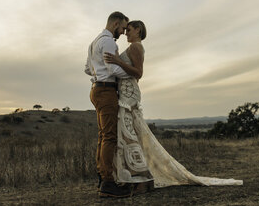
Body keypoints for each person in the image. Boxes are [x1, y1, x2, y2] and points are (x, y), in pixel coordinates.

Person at [104, 20, 243, 190]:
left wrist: (118, 62)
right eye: (125, 30)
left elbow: (139, 73)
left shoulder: (136, 47)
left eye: (129, 30)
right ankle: (133, 172)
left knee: (128, 132)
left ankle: (137, 174)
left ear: (138, 30)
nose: (126, 33)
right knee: (129, 131)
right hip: (126, 90)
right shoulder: (135, 47)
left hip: (128, 94)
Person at [84, 11, 132, 198]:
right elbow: (113, 68)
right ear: (115, 24)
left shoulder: (94, 42)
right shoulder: (109, 41)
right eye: (122, 27)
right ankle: (108, 183)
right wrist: (132, 74)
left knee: (103, 135)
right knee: (110, 136)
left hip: (96, 89)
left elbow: (87, 69)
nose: (123, 31)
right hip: (106, 91)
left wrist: (99, 72)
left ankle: (102, 177)